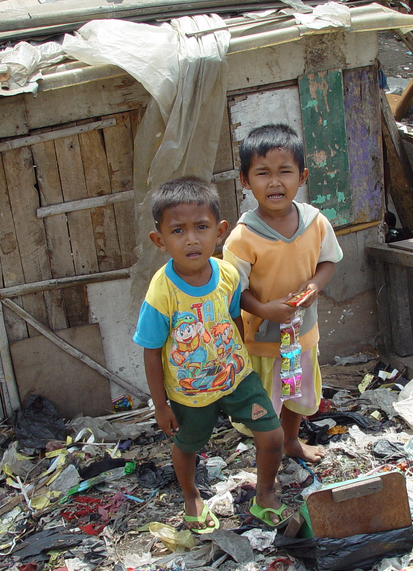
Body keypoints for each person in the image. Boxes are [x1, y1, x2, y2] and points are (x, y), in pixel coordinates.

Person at [133, 177, 292, 532]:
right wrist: (160, 406)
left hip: (237, 378)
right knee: (188, 446)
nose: (191, 239)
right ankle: (191, 496)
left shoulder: (227, 275)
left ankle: (265, 493)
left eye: (201, 227)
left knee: (272, 435)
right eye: (178, 231)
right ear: (160, 240)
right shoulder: (161, 293)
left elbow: (233, 319)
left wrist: (242, 359)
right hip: (190, 393)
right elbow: (151, 352)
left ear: (219, 232)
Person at [223, 124, 343, 464]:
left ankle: (291, 440)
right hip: (263, 340)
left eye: (284, 172)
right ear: (245, 180)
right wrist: (264, 309)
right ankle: (268, 458)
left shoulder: (315, 222)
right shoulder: (242, 238)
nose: (274, 182)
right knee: (266, 404)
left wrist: (314, 286)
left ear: (302, 176)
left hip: (302, 335)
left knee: (297, 395)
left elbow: (328, 261)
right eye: (262, 173)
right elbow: (234, 292)